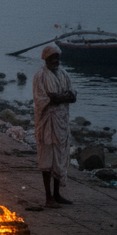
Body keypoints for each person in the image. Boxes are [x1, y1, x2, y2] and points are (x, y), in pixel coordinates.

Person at [33, 46, 77, 208]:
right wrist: (59, 97)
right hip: (47, 124)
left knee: (60, 156)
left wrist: (60, 97)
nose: (55, 61)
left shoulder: (64, 74)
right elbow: (43, 99)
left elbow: (72, 96)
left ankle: (57, 194)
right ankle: (48, 196)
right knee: (46, 158)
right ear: (45, 59)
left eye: (57, 57)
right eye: (52, 58)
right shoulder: (40, 76)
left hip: (62, 123)